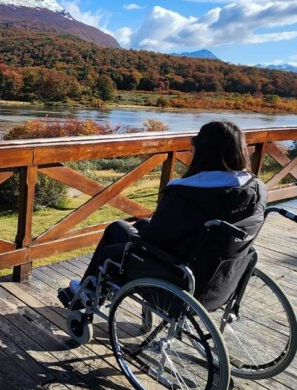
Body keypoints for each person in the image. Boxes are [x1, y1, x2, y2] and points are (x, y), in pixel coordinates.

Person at [59, 120, 267, 308]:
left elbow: (155, 236)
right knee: (140, 225)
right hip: (219, 276)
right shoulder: (255, 188)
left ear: (204, 151)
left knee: (117, 229)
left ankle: (88, 291)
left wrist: (143, 229)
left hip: (178, 275)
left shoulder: (189, 192)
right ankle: (92, 288)